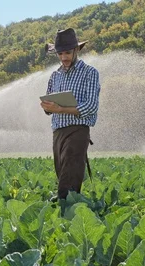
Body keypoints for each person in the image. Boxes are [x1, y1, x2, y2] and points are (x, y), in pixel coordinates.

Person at [41, 28, 101, 200]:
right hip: (58, 131)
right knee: (63, 174)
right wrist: (47, 107)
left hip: (77, 131)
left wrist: (61, 109)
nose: (63, 57)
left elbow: (90, 106)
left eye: (67, 52)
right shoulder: (55, 76)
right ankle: (69, 209)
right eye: (60, 53)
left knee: (69, 177)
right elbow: (49, 107)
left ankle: (66, 210)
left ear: (76, 50)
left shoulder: (89, 73)